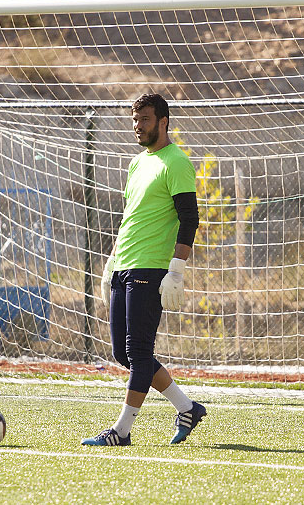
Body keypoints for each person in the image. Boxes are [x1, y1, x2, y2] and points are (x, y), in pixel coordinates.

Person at [82, 93, 205, 447]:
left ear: (163, 121)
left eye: (145, 120)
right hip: (124, 265)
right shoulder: (137, 163)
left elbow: (189, 219)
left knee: (137, 352)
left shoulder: (177, 162)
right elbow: (130, 219)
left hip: (152, 269)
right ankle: (187, 408)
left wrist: (176, 270)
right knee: (124, 354)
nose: (138, 126)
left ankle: (121, 431)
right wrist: (111, 263)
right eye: (135, 120)